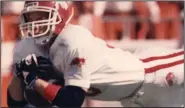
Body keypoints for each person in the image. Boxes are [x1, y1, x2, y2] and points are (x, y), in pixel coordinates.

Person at [7, 1, 184, 107]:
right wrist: (18, 75)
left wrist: (33, 80)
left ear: (60, 14)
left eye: (40, 16)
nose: (34, 24)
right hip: (131, 99)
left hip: (154, 74)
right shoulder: (27, 47)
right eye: (30, 18)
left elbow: (72, 101)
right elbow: (15, 104)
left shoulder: (73, 40)